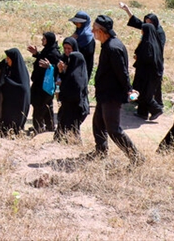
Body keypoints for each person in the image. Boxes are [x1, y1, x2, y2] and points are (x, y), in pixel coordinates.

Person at [86, 15, 143, 165]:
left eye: (94, 29)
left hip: (112, 95)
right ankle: (101, 151)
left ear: (102, 31)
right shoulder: (107, 44)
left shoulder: (113, 48)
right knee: (98, 123)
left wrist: (129, 90)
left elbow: (122, 72)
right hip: (104, 93)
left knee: (113, 129)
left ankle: (136, 157)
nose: (92, 31)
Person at [120, 3, 166, 109]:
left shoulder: (159, 33)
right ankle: (137, 100)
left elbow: (157, 50)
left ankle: (157, 104)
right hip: (144, 63)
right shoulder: (148, 30)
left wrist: (142, 56)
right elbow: (137, 23)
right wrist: (127, 10)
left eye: (150, 22)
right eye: (146, 22)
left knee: (155, 86)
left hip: (154, 63)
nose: (147, 24)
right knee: (140, 81)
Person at [54, 47, 90, 143]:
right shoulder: (80, 73)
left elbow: (72, 88)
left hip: (73, 105)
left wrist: (62, 93)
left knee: (70, 127)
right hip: (73, 105)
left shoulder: (75, 76)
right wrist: (61, 72)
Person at [27, 32, 61, 133]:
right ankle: (49, 127)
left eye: (44, 39)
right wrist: (36, 54)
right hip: (40, 83)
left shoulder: (54, 53)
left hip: (46, 85)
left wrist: (50, 67)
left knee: (39, 106)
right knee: (46, 105)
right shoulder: (47, 50)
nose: (42, 40)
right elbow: (42, 60)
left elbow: (58, 68)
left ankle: (38, 128)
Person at [0, 48, 31, 137]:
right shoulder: (11, 69)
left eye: (8, 58)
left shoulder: (21, 72)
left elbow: (21, 87)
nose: (7, 60)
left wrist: (6, 82)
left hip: (18, 104)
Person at [131, 22, 164, 120]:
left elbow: (148, 58)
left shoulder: (148, 43)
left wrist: (138, 57)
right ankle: (142, 113)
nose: (141, 32)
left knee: (146, 95)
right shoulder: (154, 42)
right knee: (141, 92)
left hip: (149, 74)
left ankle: (156, 109)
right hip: (149, 73)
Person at [69, 11, 96, 81]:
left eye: (79, 22)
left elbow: (88, 53)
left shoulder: (87, 36)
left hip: (84, 66)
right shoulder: (78, 32)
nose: (76, 24)